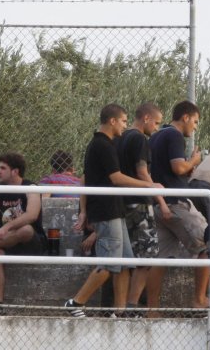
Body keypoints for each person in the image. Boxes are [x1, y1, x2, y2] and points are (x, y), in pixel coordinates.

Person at [64, 104, 163, 317]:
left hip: (114, 210)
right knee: (109, 263)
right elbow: (116, 178)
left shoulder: (106, 144)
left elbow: (87, 178)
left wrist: (83, 211)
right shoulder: (102, 145)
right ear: (112, 121)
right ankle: (76, 302)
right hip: (106, 211)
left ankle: (118, 312)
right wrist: (149, 186)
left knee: (125, 263)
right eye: (124, 121)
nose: (125, 126)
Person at [147, 100, 209, 310]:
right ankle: (200, 300)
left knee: (160, 259)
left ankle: (152, 310)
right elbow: (178, 168)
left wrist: (186, 167)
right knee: (208, 245)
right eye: (195, 121)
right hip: (176, 204)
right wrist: (194, 161)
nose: (195, 126)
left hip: (158, 204)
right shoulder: (174, 135)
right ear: (185, 117)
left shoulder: (156, 136)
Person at [116, 102, 169, 311]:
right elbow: (142, 172)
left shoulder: (121, 138)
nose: (156, 128)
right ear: (145, 118)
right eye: (155, 122)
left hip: (121, 202)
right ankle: (132, 305)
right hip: (137, 203)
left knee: (126, 256)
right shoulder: (139, 139)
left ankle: (123, 306)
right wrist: (161, 201)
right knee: (147, 255)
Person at [0, 153, 45, 310]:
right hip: (6, 240)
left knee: (26, 229)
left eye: (2, 168)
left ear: (15, 171)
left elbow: (32, 215)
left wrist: (5, 227)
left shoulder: (31, 188)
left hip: (31, 241)